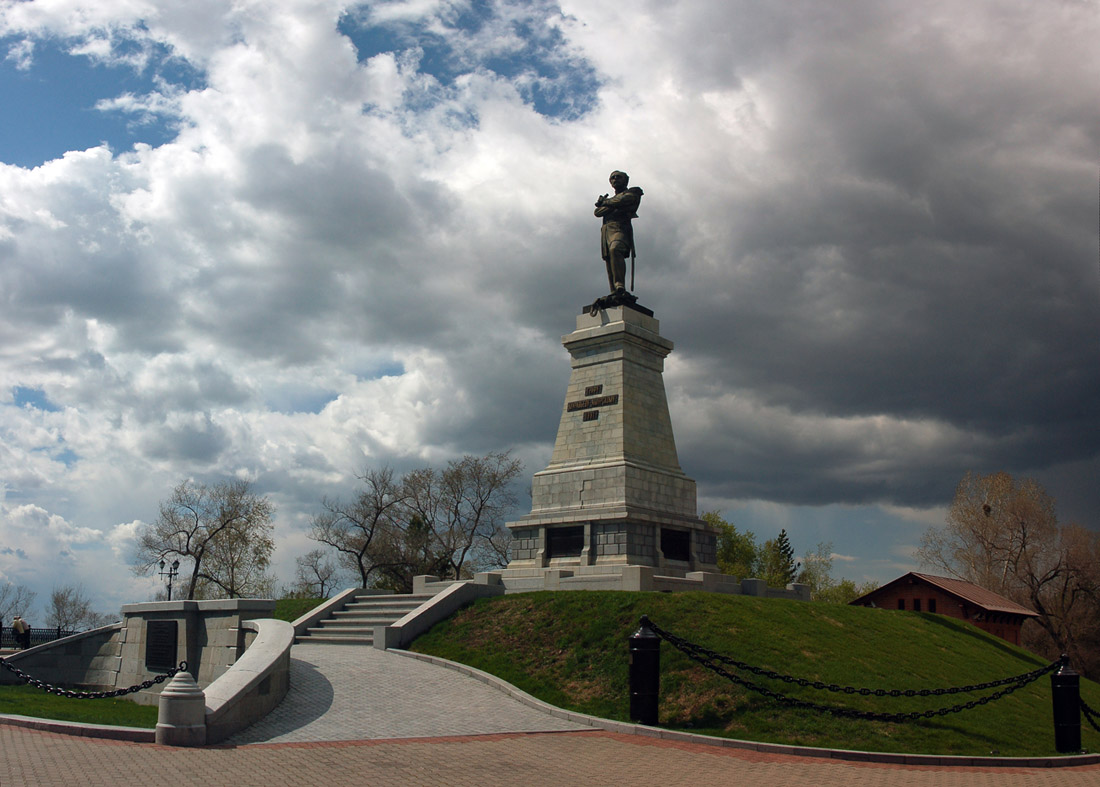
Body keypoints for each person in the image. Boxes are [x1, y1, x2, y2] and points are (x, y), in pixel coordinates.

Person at [594, 170, 644, 294]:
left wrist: (605, 203)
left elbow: (625, 200)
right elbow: (597, 212)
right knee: (609, 260)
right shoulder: (612, 199)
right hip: (606, 231)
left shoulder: (633, 192)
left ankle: (619, 284)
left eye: (619, 177)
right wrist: (613, 204)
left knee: (615, 249)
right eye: (613, 178)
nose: (615, 179)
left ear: (626, 180)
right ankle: (614, 291)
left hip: (620, 228)